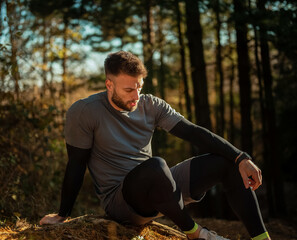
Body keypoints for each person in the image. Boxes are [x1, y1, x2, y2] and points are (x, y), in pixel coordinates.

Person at [40, 51, 271, 240]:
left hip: (160, 189)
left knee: (227, 162)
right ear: (109, 84)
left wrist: (241, 157)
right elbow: (76, 164)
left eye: (139, 87)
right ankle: (198, 234)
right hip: (122, 202)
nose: (136, 96)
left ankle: (262, 239)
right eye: (129, 90)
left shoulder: (151, 105)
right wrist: (63, 215)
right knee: (156, 166)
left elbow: (193, 132)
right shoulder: (84, 112)